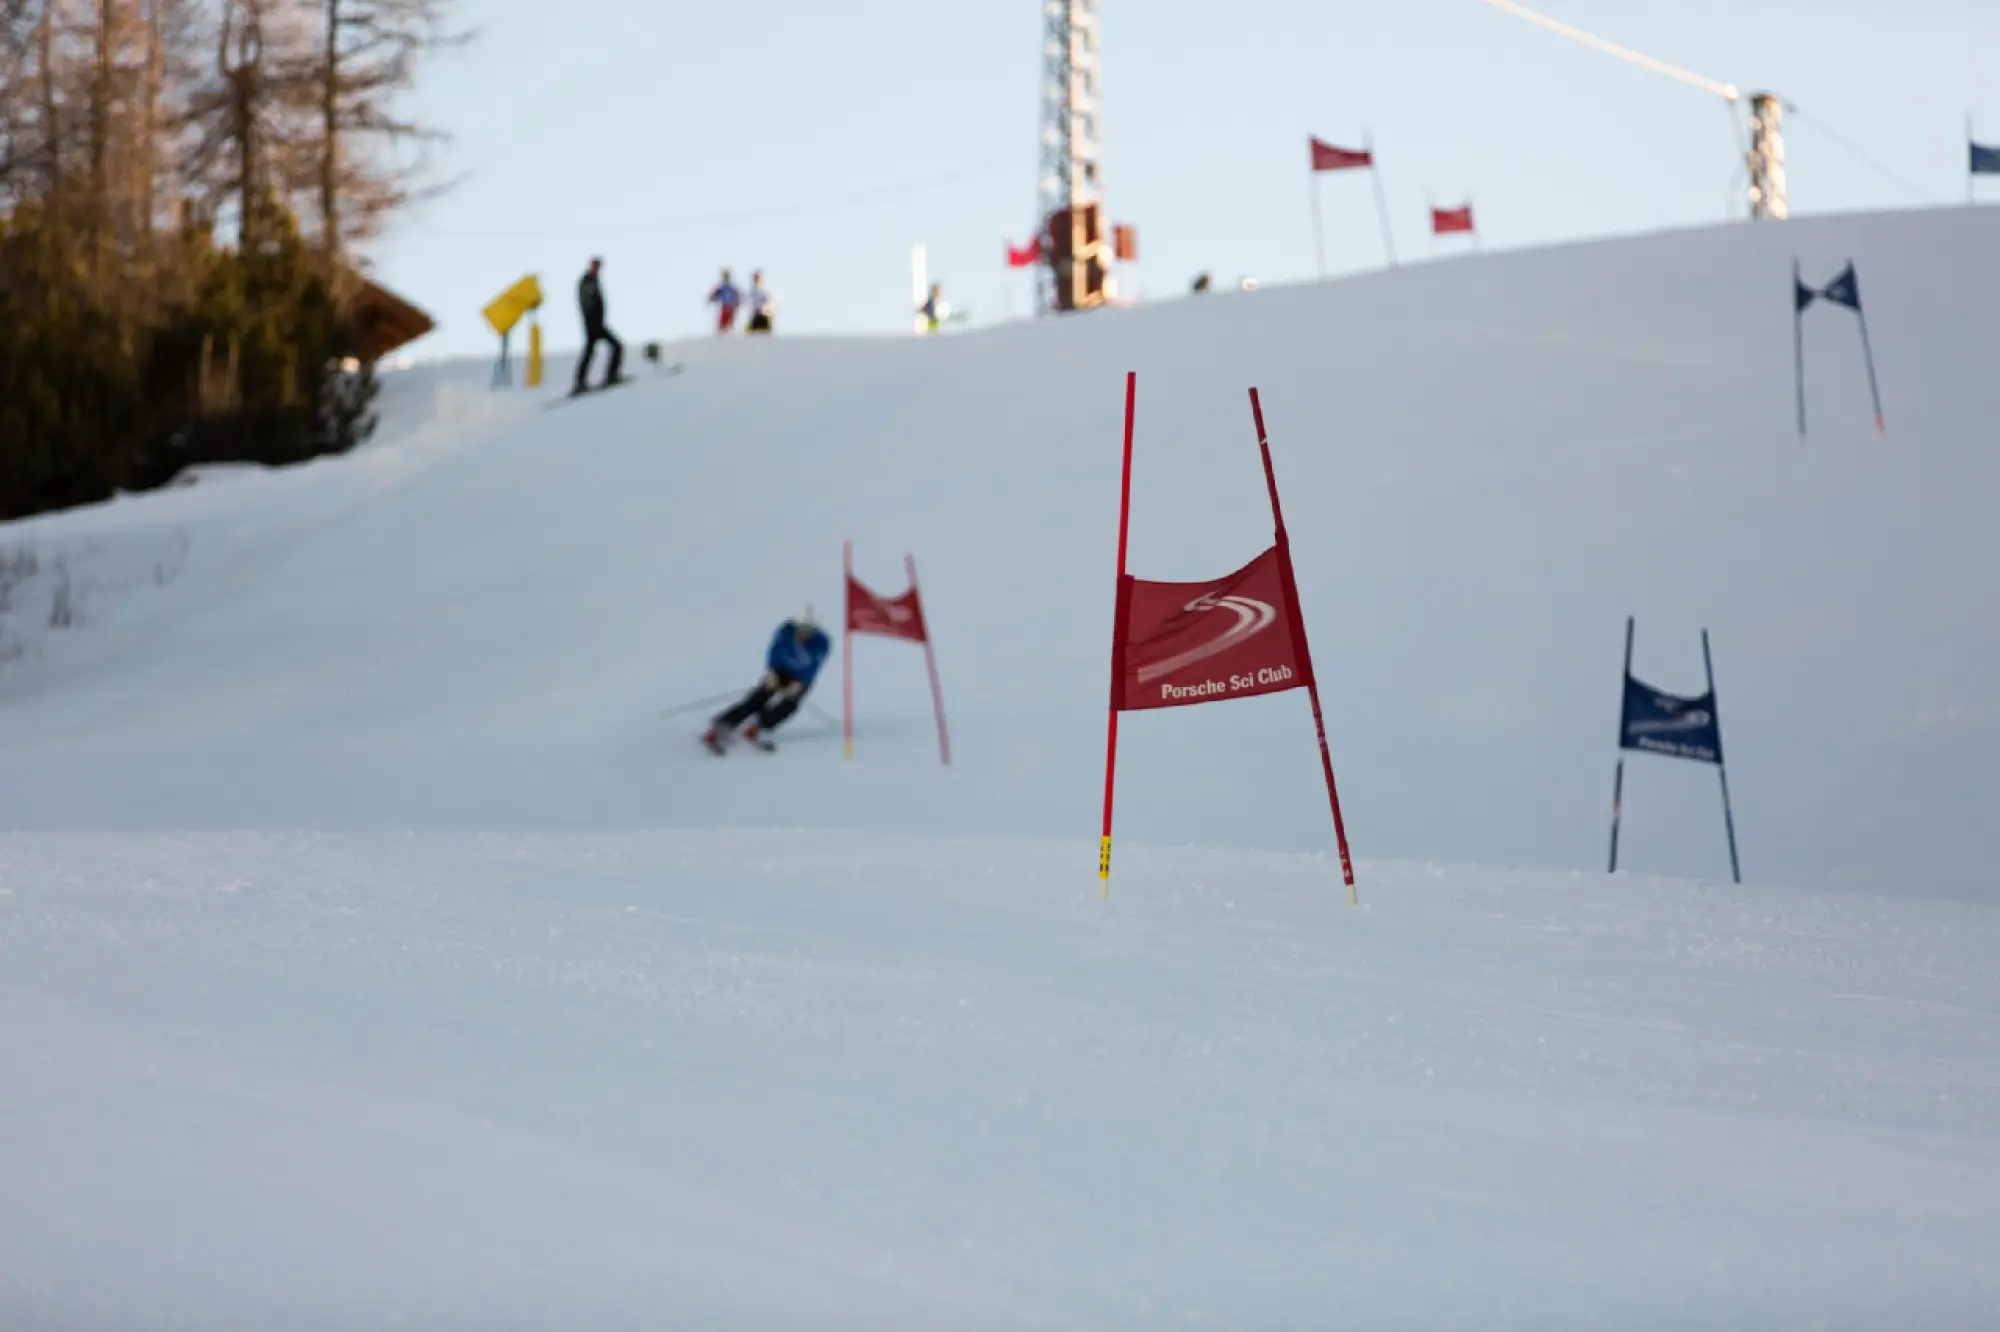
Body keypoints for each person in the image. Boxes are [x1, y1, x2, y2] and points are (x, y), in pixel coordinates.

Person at [703, 610, 831, 752]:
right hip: (779, 671)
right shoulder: (786, 632)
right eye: (800, 629)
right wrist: (771, 672)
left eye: (808, 631)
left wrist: (801, 682)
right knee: (758, 699)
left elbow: (815, 665)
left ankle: (759, 728)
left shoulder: (822, 642)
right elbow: (774, 652)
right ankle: (721, 726)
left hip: (801, 677)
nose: (803, 634)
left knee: (789, 705)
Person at [573, 256, 624, 394]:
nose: (597, 269)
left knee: (590, 351)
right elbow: (588, 302)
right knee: (616, 346)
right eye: (596, 266)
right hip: (593, 324)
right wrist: (592, 319)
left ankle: (581, 382)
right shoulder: (587, 281)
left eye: (599, 266)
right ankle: (608, 377)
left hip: (596, 323)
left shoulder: (592, 281)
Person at [708, 268, 741, 334]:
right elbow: (714, 295)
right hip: (724, 308)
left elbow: (737, 296)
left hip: (730, 308)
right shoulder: (722, 287)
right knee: (722, 326)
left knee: (729, 326)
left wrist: (737, 304)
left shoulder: (732, 287)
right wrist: (711, 299)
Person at [745, 270, 774, 334]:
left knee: (765, 334)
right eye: (756, 278)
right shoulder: (752, 292)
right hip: (755, 315)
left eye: (758, 278)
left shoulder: (765, 291)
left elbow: (770, 303)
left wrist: (768, 312)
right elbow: (749, 304)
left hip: (764, 315)